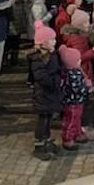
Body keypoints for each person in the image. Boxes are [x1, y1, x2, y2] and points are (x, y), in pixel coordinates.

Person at [29, 21, 62, 161]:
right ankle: (39, 144)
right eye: (52, 40)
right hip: (43, 95)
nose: (55, 41)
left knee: (48, 119)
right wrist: (56, 82)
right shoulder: (38, 60)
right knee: (43, 121)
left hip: (50, 95)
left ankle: (46, 139)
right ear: (43, 43)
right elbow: (43, 78)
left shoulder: (51, 55)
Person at [58, 44, 89, 151]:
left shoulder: (71, 71)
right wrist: (87, 87)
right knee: (71, 119)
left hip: (76, 101)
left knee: (77, 118)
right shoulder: (73, 74)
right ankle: (68, 138)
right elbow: (77, 88)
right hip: (73, 101)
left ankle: (77, 133)